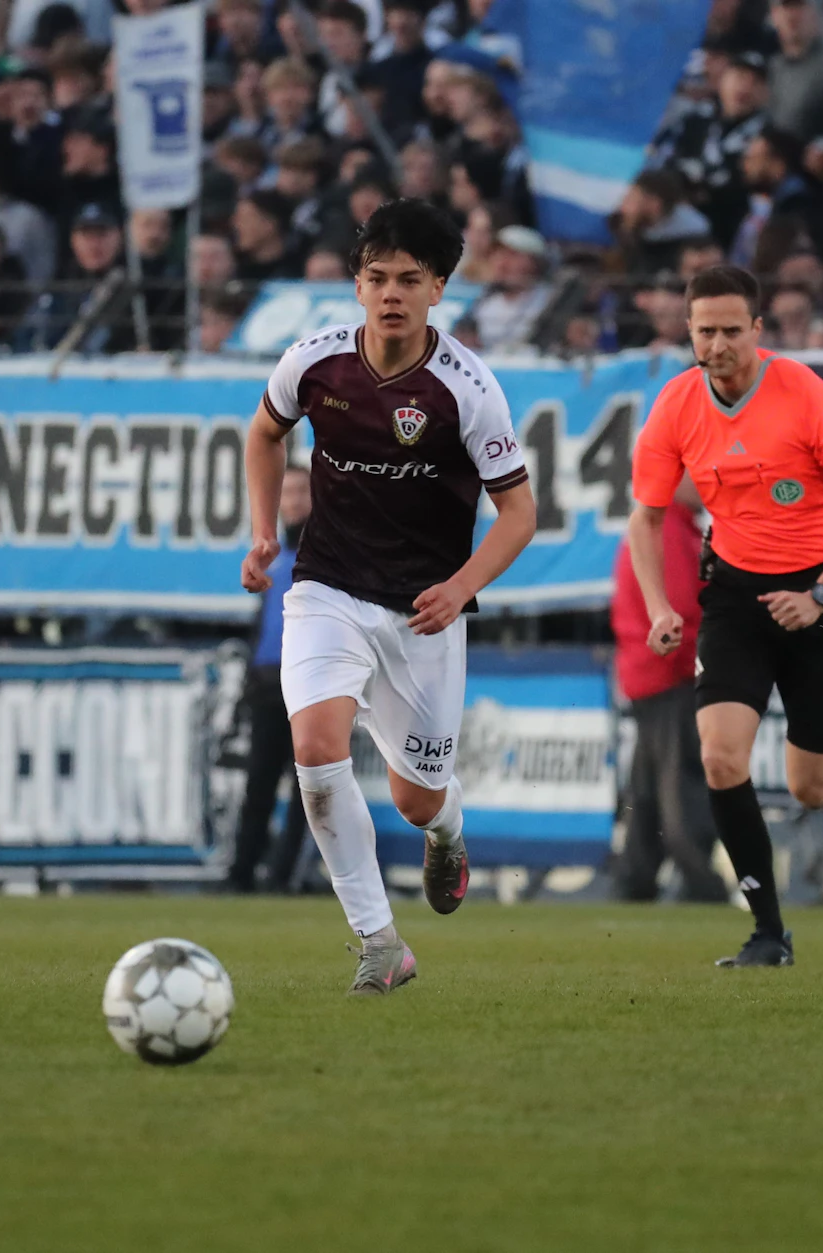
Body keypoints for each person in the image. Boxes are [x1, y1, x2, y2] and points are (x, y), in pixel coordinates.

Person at [240, 198, 537, 995]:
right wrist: (265, 530)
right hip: (326, 588)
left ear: (440, 287)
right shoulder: (314, 362)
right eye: (377, 278)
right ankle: (379, 940)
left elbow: (520, 511)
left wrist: (462, 586)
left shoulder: (468, 389)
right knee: (315, 748)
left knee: (414, 798)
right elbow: (264, 432)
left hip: (421, 612)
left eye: (410, 279)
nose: (392, 293)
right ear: (358, 284)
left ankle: (447, 829)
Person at [626, 265, 823, 968]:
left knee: (813, 787)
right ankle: (768, 931)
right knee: (719, 755)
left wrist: (822, 595)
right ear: (688, 330)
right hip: (738, 596)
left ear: (759, 332)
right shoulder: (677, 403)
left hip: (821, 596)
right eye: (705, 330)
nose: (718, 344)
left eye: (732, 331)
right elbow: (645, 519)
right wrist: (659, 607)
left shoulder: (802, 392)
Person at [611, 475, 730, 903]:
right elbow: (681, 612)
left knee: (647, 787)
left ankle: (635, 878)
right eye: (698, 476)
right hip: (671, 674)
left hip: (646, 672)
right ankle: (701, 882)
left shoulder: (657, 528)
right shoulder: (672, 531)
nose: (707, 485)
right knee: (682, 786)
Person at [228, 465, 315, 894]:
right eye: (288, 491)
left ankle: (284, 878)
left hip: (310, 685)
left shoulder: (326, 555)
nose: (295, 500)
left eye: (303, 491)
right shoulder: (272, 558)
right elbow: (262, 625)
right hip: (267, 684)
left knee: (310, 789)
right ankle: (240, 874)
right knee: (258, 784)